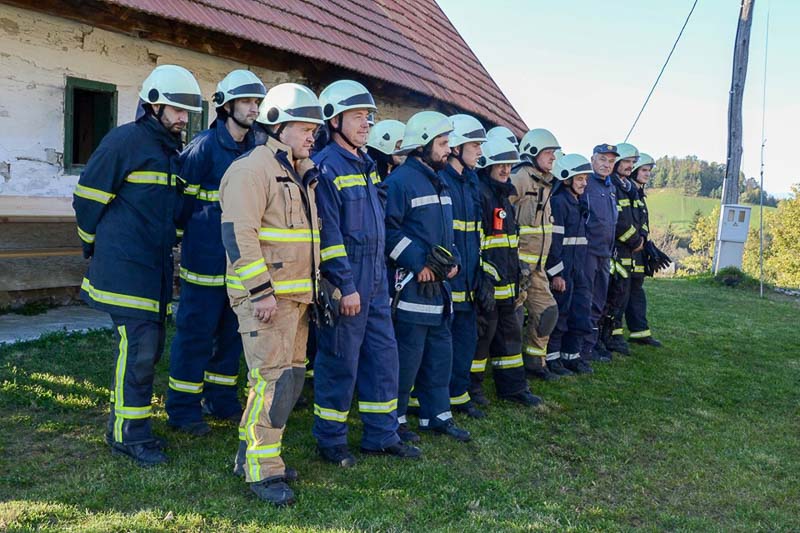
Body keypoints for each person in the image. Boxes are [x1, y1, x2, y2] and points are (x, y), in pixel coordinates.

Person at [73, 65, 203, 466]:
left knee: (148, 349)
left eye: (187, 112)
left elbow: (171, 212)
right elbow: (87, 200)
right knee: (140, 351)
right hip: (127, 268)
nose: (183, 119)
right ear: (153, 106)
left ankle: (134, 427)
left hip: (152, 269)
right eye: (176, 110)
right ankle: (127, 435)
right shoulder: (125, 141)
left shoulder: (169, 151)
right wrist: (94, 246)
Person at [219, 82, 323, 506]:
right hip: (266, 301)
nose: (312, 136)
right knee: (273, 383)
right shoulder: (251, 170)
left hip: (296, 299)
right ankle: (264, 470)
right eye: (305, 128)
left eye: (315, 129)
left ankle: (252, 454)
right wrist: (260, 292)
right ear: (278, 125)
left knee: (288, 380)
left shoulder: (299, 172)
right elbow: (238, 235)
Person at [311, 80, 420, 467]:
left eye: (368, 117)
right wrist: (345, 285)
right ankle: (331, 439)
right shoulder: (326, 167)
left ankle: (381, 434)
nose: (366, 124)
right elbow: (329, 236)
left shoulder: (366, 164)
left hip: (374, 279)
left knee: (383, 357)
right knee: (340, 360)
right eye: (357, 116)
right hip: (349, 280)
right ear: (334, 120)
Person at [166, 70, 266, 436]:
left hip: (239, 264)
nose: (254, 109)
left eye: (257, 102)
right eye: (246, 102)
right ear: (226, 106)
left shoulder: (257, 147)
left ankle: (221, 399)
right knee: (195, 335)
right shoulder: (204, 147)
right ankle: (183, 409)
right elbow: (180, 205)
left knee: (231, 334)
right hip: (205, 263)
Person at [384, 110, 471, 442]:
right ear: (423, 144)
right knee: (406, 360)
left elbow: (447, 234)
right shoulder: (400, 182)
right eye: (443, 143)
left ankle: (437, 416)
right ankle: (396, 420)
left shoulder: (440, 180)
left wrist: (454, 261)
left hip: (439, 290)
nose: (448, 150)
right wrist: (418, 263)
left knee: (439, 357)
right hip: (412, 289)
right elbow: (387, 231)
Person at [469, 137, 542, 407]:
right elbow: (478, 243)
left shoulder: (503, 196)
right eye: (500, 164)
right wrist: (484, 278)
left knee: (510, 338)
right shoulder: (481, 195)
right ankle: (472, 389)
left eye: (509, 165)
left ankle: (513, 388)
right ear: (487, 165)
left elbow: (508, 243)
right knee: (482, 340)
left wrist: (518, 274)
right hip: (488, 285)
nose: (505, 170)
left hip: (507, 285)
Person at [440, 114, 485, 417]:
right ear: (456, 147)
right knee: (443, 345)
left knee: (466, 340)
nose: (480, 151)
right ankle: (436, 398)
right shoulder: (443, 180)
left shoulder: (470, 181)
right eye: (475, 145)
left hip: (469, 279)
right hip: (449, 278)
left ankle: (458, 395)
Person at [509, 129, 562, 380]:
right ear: (532, 152)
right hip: (516, 268)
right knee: (513, 319)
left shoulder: (546, 184)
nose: (553, 157)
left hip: (538, 270)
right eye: (548, 152)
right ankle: (508, 368)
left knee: (548, 312)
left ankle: (535, 363)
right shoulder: (518, 178)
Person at [545, 154, 594, 374]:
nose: (584, 183)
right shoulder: (559, 203)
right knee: (560, 315)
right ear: (566, 178)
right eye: (580, 178)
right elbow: (553, 243)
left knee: (580, 312)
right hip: (563, 272)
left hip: (578, 270)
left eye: (586, 179)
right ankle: (552, 358)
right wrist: (556, 274)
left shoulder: (578, 203)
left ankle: (571, 356)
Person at [602, 142, 643, 357]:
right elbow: (617, 221)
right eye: (626, 161)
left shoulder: (629, 187)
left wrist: (641, 239)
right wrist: (635, 240)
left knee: (622, 294)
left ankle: (615, 335)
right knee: (614, 294)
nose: (630, 166)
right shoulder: (613, 186)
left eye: (632, 162)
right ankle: (608, 336)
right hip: (616, 250)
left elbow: (636, 218)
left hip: (628, 252)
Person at [580, 144, 620, 363]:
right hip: (588, 252)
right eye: (603, 159)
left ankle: (591, 345)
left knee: (599, 301)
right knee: (586, 300)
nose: (607, 165)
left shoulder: (610, 186)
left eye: (611, 161)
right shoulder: (586, 183)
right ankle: (582, 347)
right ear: (592, 159)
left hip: (605, 253)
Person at [626, 153, 663, 347]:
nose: (648, 174)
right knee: (622, 294)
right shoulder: (629, 192)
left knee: (636, 292)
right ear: (634, 171)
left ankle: (640, 332)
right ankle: (612, 335)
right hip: (628, 250)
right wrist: (636, 241)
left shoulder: (639, 193)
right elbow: (625, 221)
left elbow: (642, 223)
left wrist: (646, 244)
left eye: (649, 171)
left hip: (639, 251)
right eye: (644, 170)